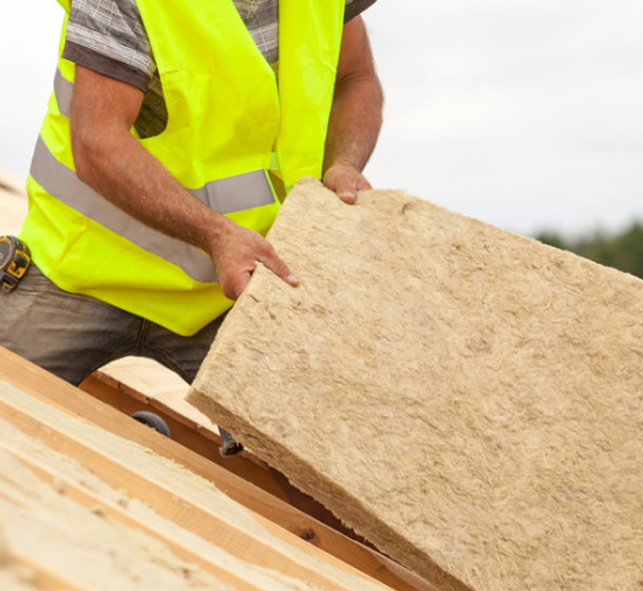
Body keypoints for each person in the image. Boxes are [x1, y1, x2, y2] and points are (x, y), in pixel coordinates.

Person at [0, 0, 383, 393]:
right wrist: (217, 236)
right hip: (85, 273)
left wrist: (343, 162)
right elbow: (98, 143)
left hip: (234, 289)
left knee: (298, 437)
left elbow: (354, 78)